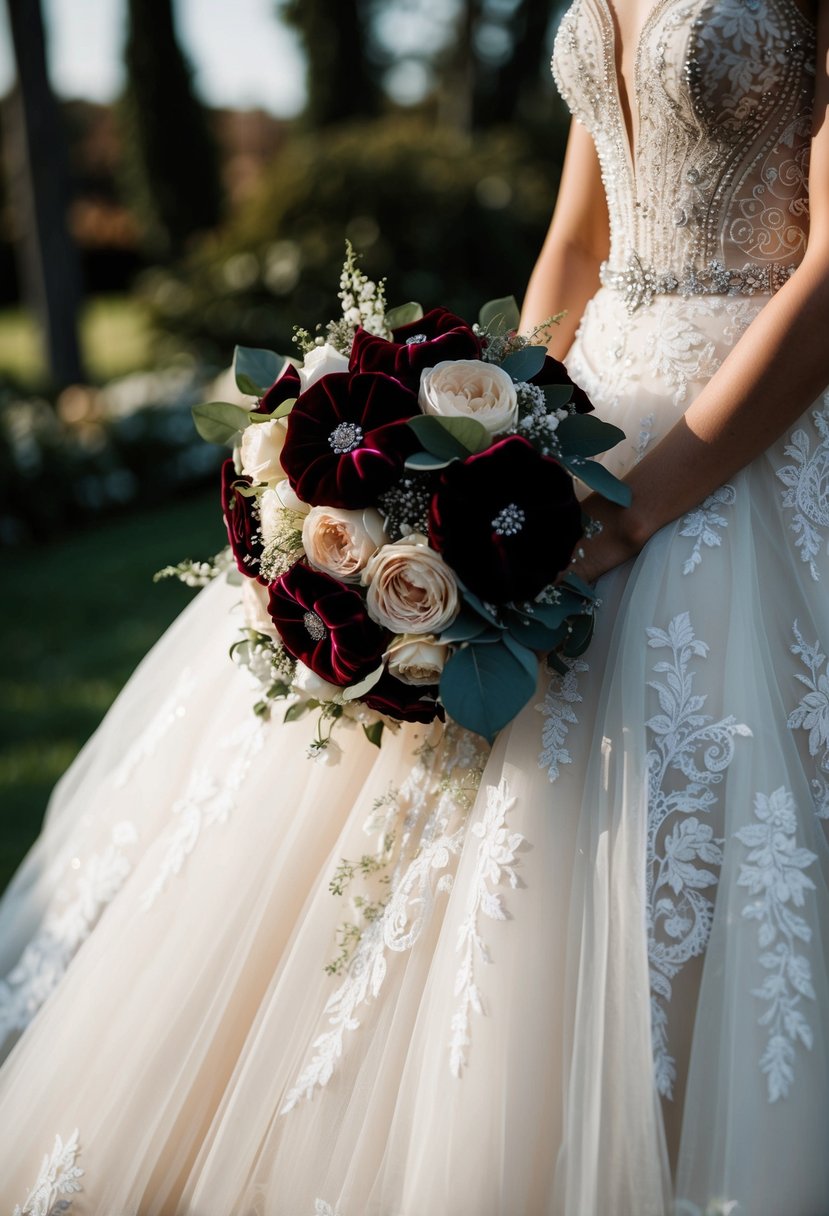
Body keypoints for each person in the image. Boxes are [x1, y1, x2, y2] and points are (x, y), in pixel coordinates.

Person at [0, 0, 826, 1212]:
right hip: (587, 409)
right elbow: (575, 243)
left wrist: (644, 505)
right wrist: (497, 434)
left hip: (753, 426)